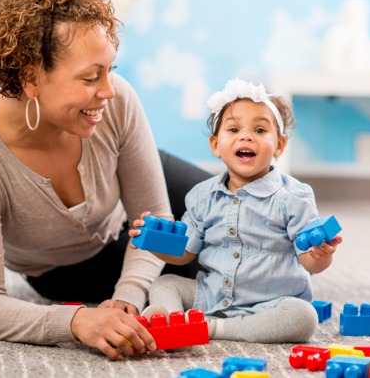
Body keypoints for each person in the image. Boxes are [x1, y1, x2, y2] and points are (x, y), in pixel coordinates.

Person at [0, 0, 210, 361]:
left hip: (134, 210)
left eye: (110, 70)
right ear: (30, 77)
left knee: (246, 216)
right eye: (89, 77)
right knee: (216, 272)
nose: (109, 91)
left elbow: (154, 216)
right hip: (69, 264)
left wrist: (130, 294)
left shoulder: (116, 101)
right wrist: (78, 320)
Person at [131, 79, 343, 343]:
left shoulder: (294, 197)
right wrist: (153, 242)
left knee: (303, 317)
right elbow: (185, 253)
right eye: (233, 129)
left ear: (279, 145)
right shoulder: (201, 196)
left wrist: (321, 254)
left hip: (270, 303)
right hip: (211, 294)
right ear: (215, 144)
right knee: (165, 283)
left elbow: (310, 262)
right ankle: (171, 324)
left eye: (260, 130)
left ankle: (210, 329)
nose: (246, 136)